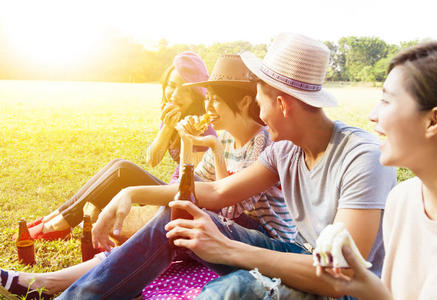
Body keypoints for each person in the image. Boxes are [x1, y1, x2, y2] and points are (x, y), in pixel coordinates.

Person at [46, 33, 396, 300]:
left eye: (259, 98)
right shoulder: (285, 150)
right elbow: (215, 192)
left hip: (340, 286)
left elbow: (341, 275)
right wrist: (130, 191)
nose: (257, 111)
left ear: (282, 103)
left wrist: (228, 249)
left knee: (229, 292)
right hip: (299, 254)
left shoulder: (360, 156)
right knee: (179, 216)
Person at [0, 54, 297, 299]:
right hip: (228, 229)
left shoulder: (263, 143)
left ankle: (61, 285)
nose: (208, 108)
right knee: (164, 228)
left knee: (172, 217)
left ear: (244, 103)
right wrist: (184, 141)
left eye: (215, 100)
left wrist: (213, 152)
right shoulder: (228, 138)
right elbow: (191, 188)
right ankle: (51, 281)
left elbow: (229, 203)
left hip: (263, 239)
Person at [26, 51, 215, 241]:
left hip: (181, 197)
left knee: (122, 170)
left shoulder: (201, 127)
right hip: (171, 189)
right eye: (172, 86)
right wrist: (167, 127)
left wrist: (186, 135)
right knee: (117, 164)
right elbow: (152, 160)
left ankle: (58, 224)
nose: (175, 95)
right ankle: (55, 217)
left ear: (197, 94)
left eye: (185, 90)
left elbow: (192, 184)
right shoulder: (174, 116)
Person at [315, 40, 437, 300]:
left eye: (386, 101)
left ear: (433, 121)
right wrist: (364, 284)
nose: (372, 115)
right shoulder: (402, 200)